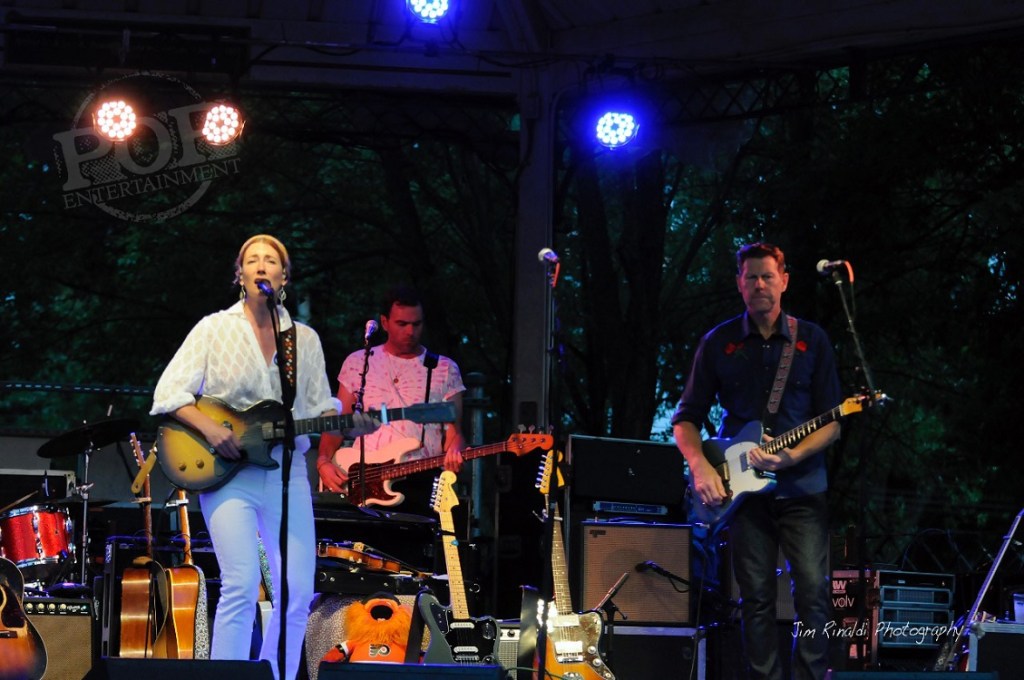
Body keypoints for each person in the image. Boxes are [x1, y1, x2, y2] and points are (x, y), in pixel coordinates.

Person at [151, 234, 376, 680]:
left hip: (286, 473)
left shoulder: (303, 340)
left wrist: (349, 424)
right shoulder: (214, 329)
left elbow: (318, 408)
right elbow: (168, 393)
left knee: (297, 591)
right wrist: (212, 429)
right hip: (227, 472)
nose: (260, 266)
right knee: (239, 583)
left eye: (270, 260)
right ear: (240, 274)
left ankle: (278, 675)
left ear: (283, 277)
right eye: (251, 260)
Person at [671, 242, 843, 680]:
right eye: (752, 277)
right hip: (743, 491)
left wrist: (794, 455)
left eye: (768, 276)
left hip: (803, 487)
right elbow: (685, 420)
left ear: (784, 281)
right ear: (739, 283)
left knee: (813, 593)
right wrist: (701, 467)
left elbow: (832, 423)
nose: (760, 284)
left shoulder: (812, 340)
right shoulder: (719, 342)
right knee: (756, 598)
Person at [317, 284, 465, 512]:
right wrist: (323, 462)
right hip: (362, 480)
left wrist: (455, 452)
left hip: (420, 481)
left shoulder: (444, 369)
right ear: (384, 322)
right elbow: (338, 424)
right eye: (402, 324)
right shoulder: (359, 362)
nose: (410, 331)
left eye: (416, 324)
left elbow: (454, 435)